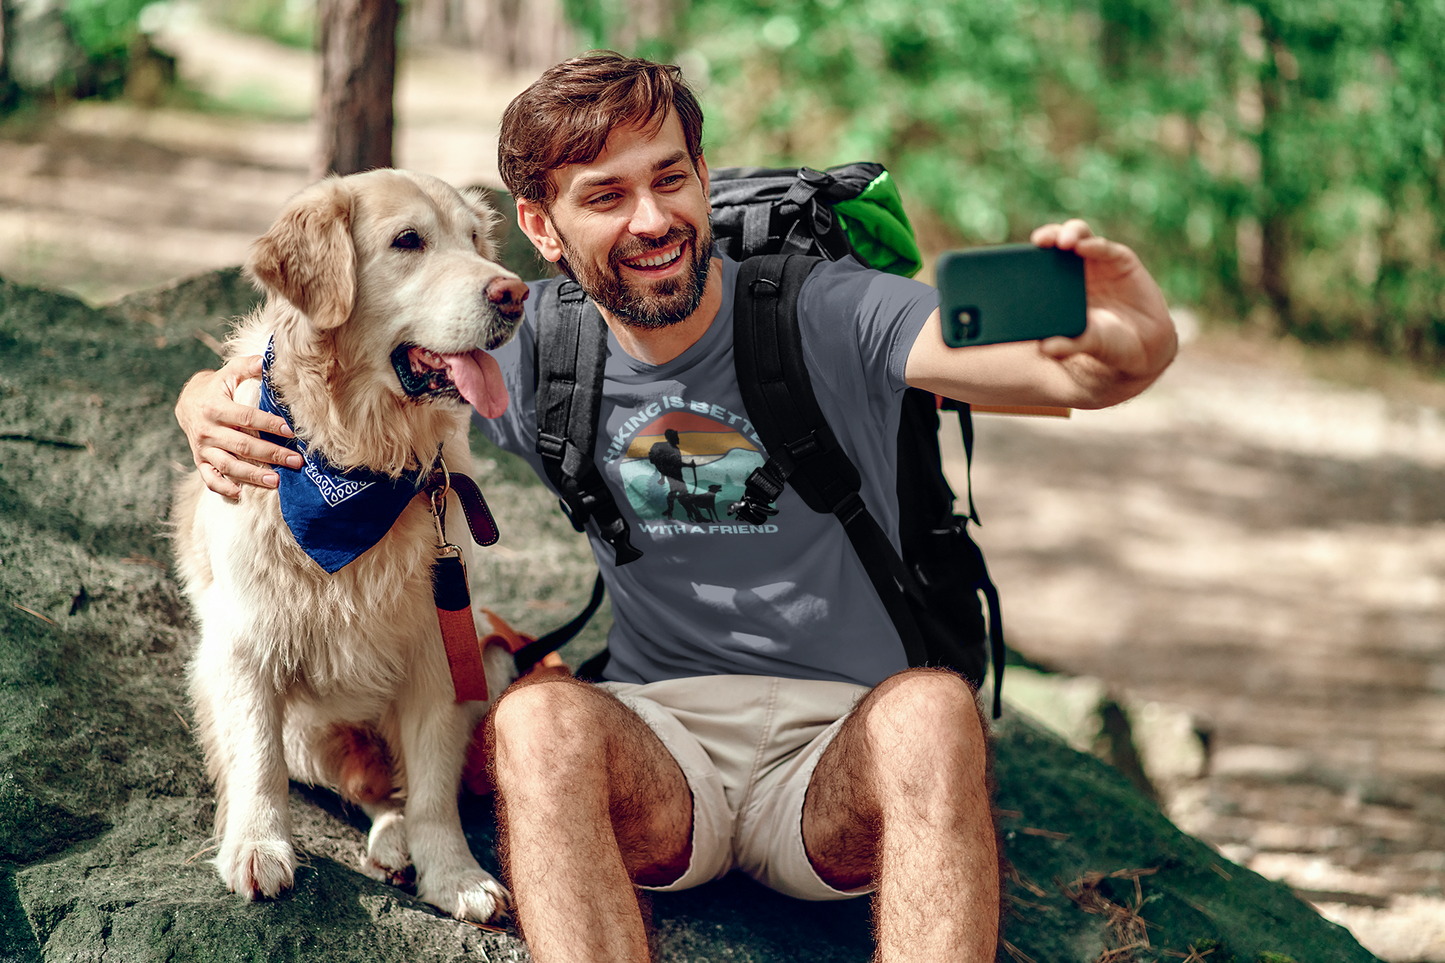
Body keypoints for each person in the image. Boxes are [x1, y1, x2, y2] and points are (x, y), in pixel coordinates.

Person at [175, 52, 1177, 963]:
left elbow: (1069, 373)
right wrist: (201, 404)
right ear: (542, 229)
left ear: (702, 177)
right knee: (535, 725)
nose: (651, 220)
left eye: (669, 178)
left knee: (932, 711)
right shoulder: (523, 358)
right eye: (604, 196)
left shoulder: (821, 311)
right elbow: (322, 364)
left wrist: (1131, 338)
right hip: (661, 755)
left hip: (839, 755)